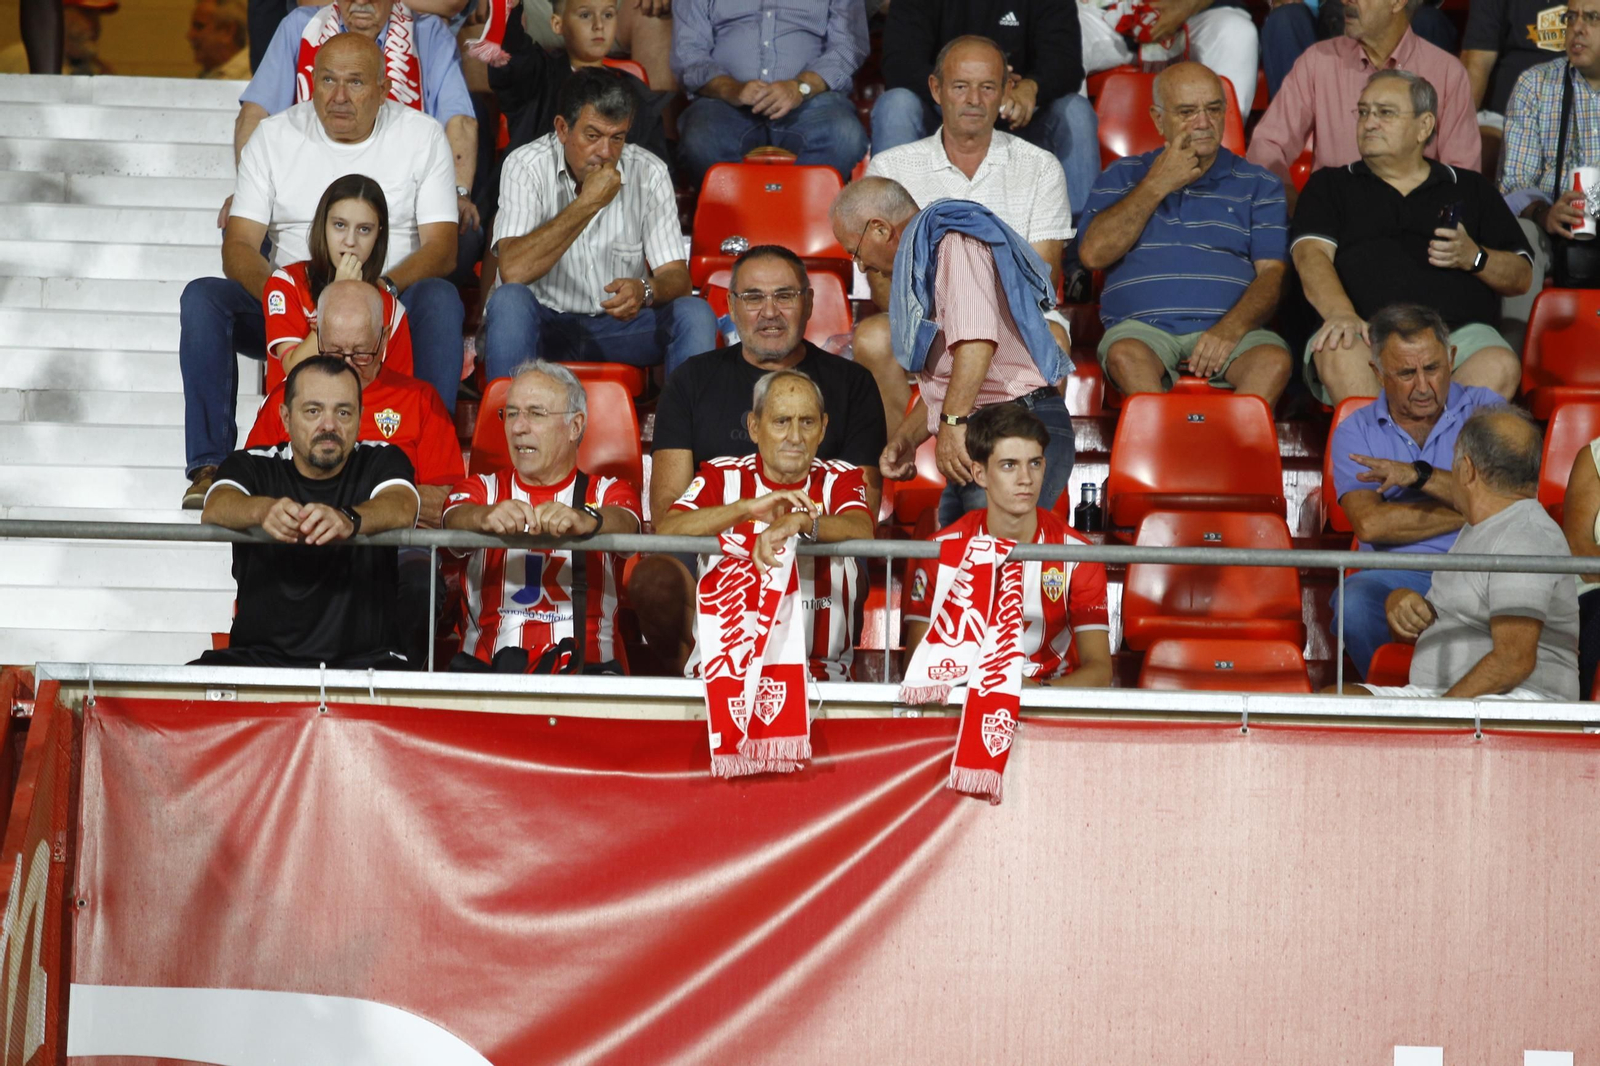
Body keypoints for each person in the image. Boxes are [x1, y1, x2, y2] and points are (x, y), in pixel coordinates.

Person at [180, 35, 461, 509]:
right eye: (327, 80)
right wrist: (291, 297)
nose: (338, 97)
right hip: (294, 294)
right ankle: (210, 467)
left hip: (387, 297)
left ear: (383, 87)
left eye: (355, 82)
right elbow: (240, 245)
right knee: (203, 298)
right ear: (310, 81)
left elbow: (444, 247)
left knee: (441, 297)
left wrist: (370, 292)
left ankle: (428, 468)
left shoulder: (422, 134)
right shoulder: (274, 135)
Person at [629, 244, 887, 674]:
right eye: (753, 298)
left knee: (845, 562)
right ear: (731, 306)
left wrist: (798, 527)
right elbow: (667, 515)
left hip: (821, 552)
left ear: (807, 303)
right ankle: (698, 682)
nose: (770, 311)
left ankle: (819, 672)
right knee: (655, 574)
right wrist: (746, 525)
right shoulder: (692, 379)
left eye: (785, 296)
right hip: (715, 551)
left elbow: (863, 515)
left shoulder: (852, 384)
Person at [857, 35, 1075, 429]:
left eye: (987, 87)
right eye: (960, 86)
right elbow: (882, 284)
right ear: (937, 90)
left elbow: (1043, 278)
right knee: (873, 338)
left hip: (1016, 320)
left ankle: (1018, 474)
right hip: (921, 321)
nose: (973, 98)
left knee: (1053, 340)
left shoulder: (1040, 167)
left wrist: (974, 317)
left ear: (1007, 91)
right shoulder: (892, 169)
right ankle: (895, 462)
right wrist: (955, 315)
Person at [831, 176, 1076, 528]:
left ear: (881, 230)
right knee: (956, 566)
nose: (861, 266)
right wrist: (906, 439)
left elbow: (976, 344)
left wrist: (952, 422)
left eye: (855, 251)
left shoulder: (954, 243)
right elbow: (947, 379)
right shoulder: (929, 256)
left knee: (988, 564)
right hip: (985, 425)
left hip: (1015, 426)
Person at [1291, 71, 1532, 406]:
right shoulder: (1330, 186)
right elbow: (1310, 256)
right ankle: (1380, 453)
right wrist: (1339, 312)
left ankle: (1434, 455)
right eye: (1363, 112)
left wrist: (1474, 257)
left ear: (1424, 126)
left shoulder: (1470, 187)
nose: (1369, 123)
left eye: (1385, 113)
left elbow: (1521, 276)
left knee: (1500, 365)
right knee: (1337, 346)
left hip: (1456, 338)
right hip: (1365, 332)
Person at [1077, 62, 1294, 406]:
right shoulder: (1122, 175)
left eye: (1213, 109)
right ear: (1158, 119)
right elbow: (1092, 255)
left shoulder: (1259, 184)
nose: (1204, 123)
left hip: (1233, 332)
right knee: (1125, 356)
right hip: (1142, 331)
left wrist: (1230, 329)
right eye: (1187, 112)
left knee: (1273, 361)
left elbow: (1273, 274)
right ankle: (1159, 445)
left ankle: (1236, 451)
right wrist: (1157, 184)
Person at [1332, 405, 1579, 700]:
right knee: (1332, 704)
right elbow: (1447, 625)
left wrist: (1439, 717)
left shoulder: (1525, 535)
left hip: (1518, 703)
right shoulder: (1482, 527)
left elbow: (1514, 661)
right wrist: (1402, 604)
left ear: (1466, 469)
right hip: (1456, 699)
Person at [485, 68, 716, 381]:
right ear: (563, 129)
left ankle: (682, 429)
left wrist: (646, 290)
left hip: (617, 330)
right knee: (509, 301)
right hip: (543, 326)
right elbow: (512, 270)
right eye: (592, 136)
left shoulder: (650, 172)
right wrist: (587, 203)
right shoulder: (525, 165)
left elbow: (677, 279)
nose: (606, 154)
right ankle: (504, 424)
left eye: (617, 138)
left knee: (695, 314)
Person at [196, 355, 422, 668]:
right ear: (286, 418)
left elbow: (402, 506)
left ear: (360, 417)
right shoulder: (251, 463)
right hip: (259, 661)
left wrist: (349, 520)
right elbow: (216, 504)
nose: (329, 425)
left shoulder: (382, 460)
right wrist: (263, 510)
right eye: (313, 411)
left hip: (367, 663)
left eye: (343, 412)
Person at [656, 370, 876, 682]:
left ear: (824, 428)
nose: (796, 437)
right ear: (755, 427)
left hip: (819, 679)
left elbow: (861, 527)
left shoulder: (840, 477)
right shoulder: (721, 474)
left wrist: (800, 521)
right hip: (723, 676)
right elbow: (668, 529)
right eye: (782, 421)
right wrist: (743, 509)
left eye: (808, 422)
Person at [1325, 303, 1507, 679]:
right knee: (1353, 605)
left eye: (1433, 368)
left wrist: (1419, 476)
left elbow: (1511, 500)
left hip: (1478, 567)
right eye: (1407, 373)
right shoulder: (1354, 430)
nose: (1424, 386)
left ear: (1452, 357)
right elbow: (1371, 525)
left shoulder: (1487, 411)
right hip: (1389, 574)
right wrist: (1469, 507)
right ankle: (1398, 698)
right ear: (1378, 373)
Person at [444, 360, 643, 674]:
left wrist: (586, 520)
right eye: (511, 413)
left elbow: (626, 520)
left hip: (588, 676)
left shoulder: (608, 491)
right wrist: (484, 517)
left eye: (535, 413)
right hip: (487, 676)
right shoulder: (481, 489)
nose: (518, 427)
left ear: (575, 426)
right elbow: (454, 516)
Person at [904, 403, 1112, 688]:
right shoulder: (940, 551)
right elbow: (917, 662)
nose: (1026, 479)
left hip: (1046, 700)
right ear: (979, 474)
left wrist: (1032, 692)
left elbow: (1100, 671)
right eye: (1009, 465)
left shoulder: (1077, 555)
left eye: (1035, 463)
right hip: (963, 700)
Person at [232, 0, 478, 238]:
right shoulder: (300, 25)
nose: (361, 1)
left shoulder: (428, 32)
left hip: (401, 194)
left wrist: (458, 192)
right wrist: (248, 190)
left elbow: (461, 121)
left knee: (461, 229)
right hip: (307, 188)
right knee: (241, 226)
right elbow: (254, 113)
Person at [245, 279, 462, 529]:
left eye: (360, 353)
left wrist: (342, 504)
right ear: (318, 335)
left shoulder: (420, 400)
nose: (346, 366)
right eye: (334, 352)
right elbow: (250, 489)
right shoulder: (286, 398)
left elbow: (448, 505)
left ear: (382, 339)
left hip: (395, 552)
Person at [874, 0, 1101, 221]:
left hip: (1018, 117)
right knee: (896, 105)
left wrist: (1030, 87)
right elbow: (899, 64)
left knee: (1076, 112)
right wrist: (967, 86)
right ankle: (889, 229)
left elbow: (1066, 63)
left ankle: (1080, 242)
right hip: (943, 117)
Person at [1248, 0, 1481, 199]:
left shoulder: (1447, 73)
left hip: (1413, 226)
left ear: (1398, 2)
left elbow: (1462, 175)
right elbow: (1267, 144)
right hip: (1332, 223)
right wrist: (1284, 196)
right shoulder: (1318, 61)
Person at [670, 0, 869, 187]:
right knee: (701, 139)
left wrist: (800, 87)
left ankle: (801, 215)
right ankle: (737, 219)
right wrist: (731, 89)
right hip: (724, 102)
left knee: (844, 135)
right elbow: (689, 52)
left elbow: (849, 46)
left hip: (811, 99)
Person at [1498, 0, 1600, 349]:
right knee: (1520, 233)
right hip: (1552, 228)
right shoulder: (1536, 84)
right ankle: (1511, 369)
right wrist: (1544, 213)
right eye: (1571, 17)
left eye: (1592, 18)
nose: (1578, 28)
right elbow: (1512, 182)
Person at [261, 175, 414, 386]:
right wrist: (339, 295)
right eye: (340, 225)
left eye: (364, 229)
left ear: (378, 234)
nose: (350, 241)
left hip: (362, 416)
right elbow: (295, 370)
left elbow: (397, 395)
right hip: (293, 415)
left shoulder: (393, 310)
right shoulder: (286, 284)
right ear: (323, 226)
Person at [489, 0, 668, 166]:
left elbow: (654, 174)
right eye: (585, 15)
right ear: (558, 24)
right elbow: (511, 45)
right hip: (538, 196)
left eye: (608, 15)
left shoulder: (638, 97)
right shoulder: (536, 77)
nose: (599, 25)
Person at [1261, 0, 1458, 102]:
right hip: (1314, 19)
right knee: (1284, 20)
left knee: (1429, 21)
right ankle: (1304, 133)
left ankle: (1418, 127)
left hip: (1395, 14)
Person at [1462, 0, 1567, 178]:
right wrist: (1459, 133)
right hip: (1505, 116)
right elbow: (1476, 64)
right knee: (1478, 151)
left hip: (1581, 113)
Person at [514, 0, 677, 91]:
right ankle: (489, 140)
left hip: (610, 7)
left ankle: (661, 142)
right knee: (489, 17)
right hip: (537, 6)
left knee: (655, 12)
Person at [0, 0, 117, 75]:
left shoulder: (92, 67)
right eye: (87, 13)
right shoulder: (24, 57)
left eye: (97, 17)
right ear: (58, 14)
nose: (96, 26)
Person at [190, 0, 252, 79]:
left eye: (199, 26)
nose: (190, 35)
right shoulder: (213, 74)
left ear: (228, 31)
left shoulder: (252, 78)